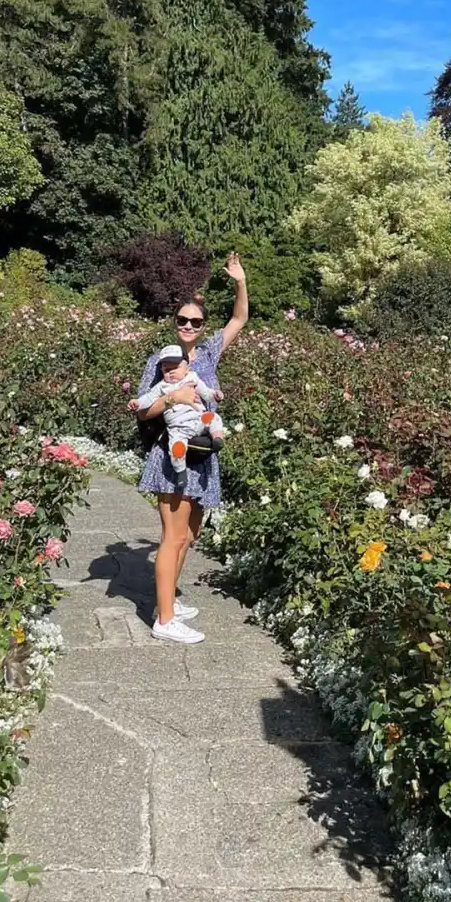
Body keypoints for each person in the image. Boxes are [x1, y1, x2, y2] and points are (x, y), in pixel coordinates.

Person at [135, 254, 248, 644]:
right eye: (182, 320)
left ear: (203, 326)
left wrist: (240, 283)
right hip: (173, 455)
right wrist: (174, 398)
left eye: (195, 321)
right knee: (173, 535)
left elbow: (239, 320)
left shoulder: (211, 351)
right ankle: (164, 620)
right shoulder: (161, 359)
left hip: (203, 454)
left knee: (188, 536)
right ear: (174, 323)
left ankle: (168, 601)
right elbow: (142, 408)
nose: (187, 326)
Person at [134, 345, 225, 478]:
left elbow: (206, 393)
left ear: (187, 368)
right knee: (176, 448)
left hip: (198, 419)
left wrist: (215, 395)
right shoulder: (161, 387)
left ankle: (217, 438)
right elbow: (147, 400)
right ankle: (181, 472)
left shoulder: (192, 378)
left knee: (213, 418)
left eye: (175, 368)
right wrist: (137, 403)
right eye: (166, 369)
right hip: (178, 428)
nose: (171, 372)